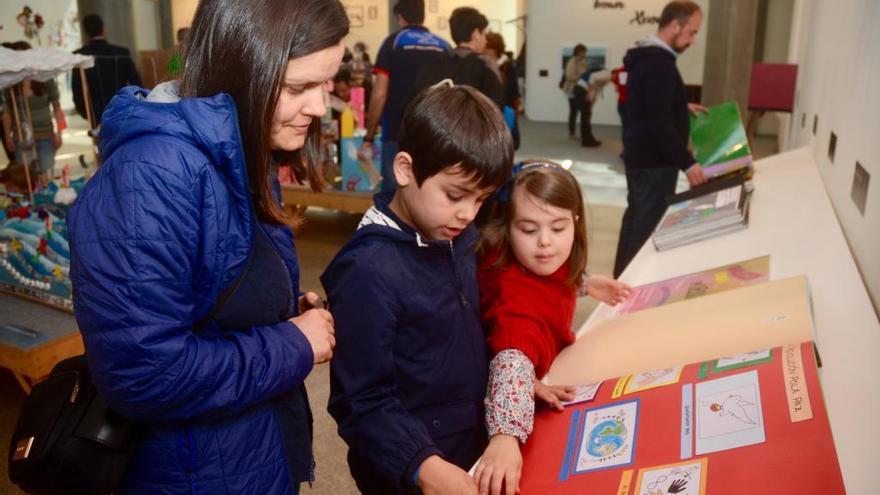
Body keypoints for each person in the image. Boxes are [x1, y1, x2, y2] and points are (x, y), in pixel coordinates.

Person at [67, 0, 347, 493]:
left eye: (326, 84)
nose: (321, 107)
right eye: (299, 87)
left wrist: (277, 309)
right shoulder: (149, 177)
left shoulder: (245, 140)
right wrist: (291, 343)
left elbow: (219, 281)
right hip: (195, 472)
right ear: (243, 66)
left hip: (251, 451)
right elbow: (142, 372)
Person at [322, 83, 513, 495]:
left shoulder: (454, 232)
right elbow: (361, 400)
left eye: (481, 199)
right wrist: (423, 466)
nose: (468, 213)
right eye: (456, 195)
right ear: (405, 170)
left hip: (467, 443)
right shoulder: (367, 271)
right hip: (410, 472)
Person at [472, 161, 632, 495]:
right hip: (508, 391)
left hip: (543, 373)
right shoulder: (511, 292)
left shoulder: (547, 262)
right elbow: (511, 355)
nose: (545, 242)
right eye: (528, 230)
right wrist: (505, 436)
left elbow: (551, 283)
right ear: (507, 226)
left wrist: (584, 284)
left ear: (575, 221)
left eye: (557, 228)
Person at [613, 0, 709, 278]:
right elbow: (658, 124)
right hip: (653, 164)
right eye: (691, 32)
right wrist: (688, 163)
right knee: (643, 232)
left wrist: (681, 106)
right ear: (675, 25)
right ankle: (628, 291)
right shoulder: (659, 65)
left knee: (635, 223)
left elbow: (649, 106)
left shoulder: (648, 59)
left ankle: (621, 283)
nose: (692, 40)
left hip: (643, 158)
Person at [361, 0, 450, 192]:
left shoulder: (393, 43)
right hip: (435, 134)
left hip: (397, 132)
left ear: (400, 18)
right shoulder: (443, 46)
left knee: (395, 196)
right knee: (430, 191)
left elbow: (380, 93)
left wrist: (368, 136)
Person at [2, 41, 64, 187]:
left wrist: (59, 133)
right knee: (26, 180)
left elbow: (57, 108)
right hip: (22, 139)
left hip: (45, 136)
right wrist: (7, 137)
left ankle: (46, 206)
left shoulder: (45, 78)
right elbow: (6, 114)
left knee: (47, 178)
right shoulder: (9, 84)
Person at [71, 14, 142, 127]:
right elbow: (137, 84)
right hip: (123, 112)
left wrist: (88, 114)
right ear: (103, 29)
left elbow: (78, 92)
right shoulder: (121, 53)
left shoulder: (79, 56)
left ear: (85, 32)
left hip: (96, 115)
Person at [485, 32, 521, 150]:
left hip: (504, 110)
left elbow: (513, 92)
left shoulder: (507, 66)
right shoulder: (482, 63)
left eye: (487, 47)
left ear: (494, 49)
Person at [562, 44, 588, 140]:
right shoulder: (572, 61)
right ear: (579, 52)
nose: (585, 54)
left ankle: (576, 132)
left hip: (580, 89)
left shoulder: (583, 61)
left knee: (578, 111)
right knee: (574, 111)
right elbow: (569, 76)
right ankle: (572, 132)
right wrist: (580, 76)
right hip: (572, 90)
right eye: (584, 51)